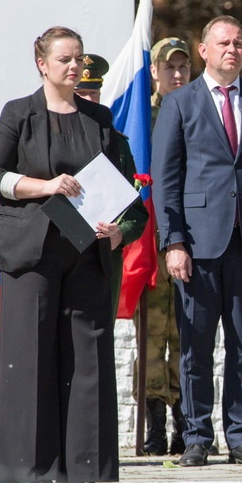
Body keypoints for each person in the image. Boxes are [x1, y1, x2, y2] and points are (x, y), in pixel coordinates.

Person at [0, 26, 147, 483]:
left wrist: (118, 231)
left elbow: (129, 196)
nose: (74, 66)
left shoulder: (101, 118)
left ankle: (88, 469)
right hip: (30, 253)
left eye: (77, 59)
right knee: (30, 360)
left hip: (87, 253)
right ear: (42, 65)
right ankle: (28, 471)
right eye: (64, 60)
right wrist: (45, 186)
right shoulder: (19, 113)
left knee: (88, 358)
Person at [151, 16, 242, 467]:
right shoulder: (179, 103)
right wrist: (174, 242)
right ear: (203, 50)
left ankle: (241, 435)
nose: (232, 49)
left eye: (239, 42)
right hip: (197, 245)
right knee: (195, 347)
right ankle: (197, 436)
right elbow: (166, 180)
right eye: (223, 42)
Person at [142, 36, 193, 455]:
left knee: (186, 337)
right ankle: (154, 422)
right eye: (169, 67)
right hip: (151, 247)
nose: (177, 75)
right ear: (154, 71)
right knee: (152, 337)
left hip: (191, 242)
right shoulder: (144, 118)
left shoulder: (198, 110)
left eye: (183, 67)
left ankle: (185, 422)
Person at [74, 54, 148, 339]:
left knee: (99, 343)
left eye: (95, 93)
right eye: (82, 94)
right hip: (61, 257)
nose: (91, 101)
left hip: (104, 260)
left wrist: (121, 233)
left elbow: (136, 211)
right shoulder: (51, 138)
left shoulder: (117, 144)